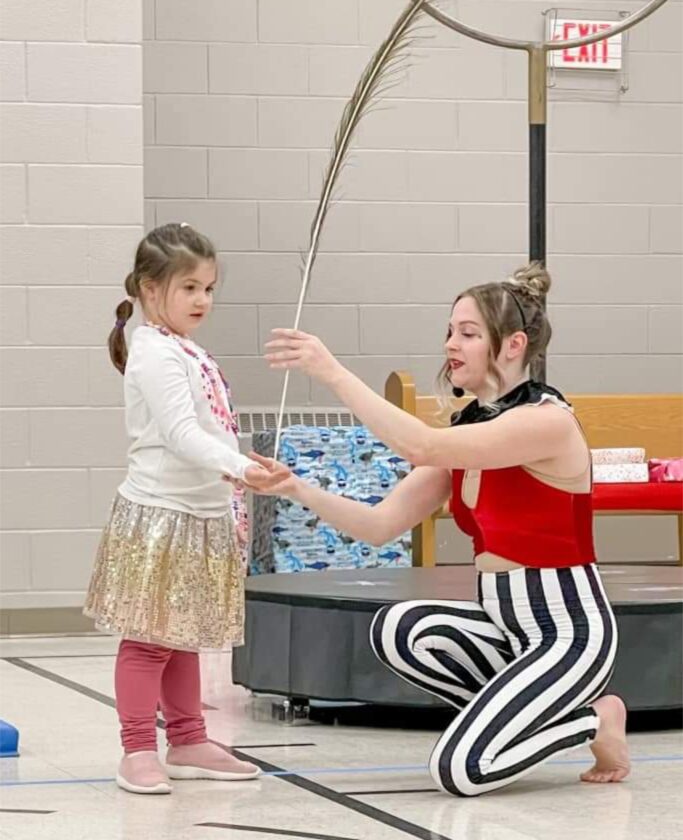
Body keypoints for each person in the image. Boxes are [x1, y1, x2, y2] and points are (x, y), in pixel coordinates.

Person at [257, 262, 630, 796]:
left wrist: (333, 371)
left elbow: (421, 446)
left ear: (513, 344)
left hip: (567, 635)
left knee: (461, 771)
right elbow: (380, 526)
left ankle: (597, 720)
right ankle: (515, 719)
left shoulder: (544, 421)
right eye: (450, 331)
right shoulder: (472, 427)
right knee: (397, 628)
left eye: (468, 333)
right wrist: (297, 488)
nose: (451, 344)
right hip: (505, 628)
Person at [84, 223, 287, 795]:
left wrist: (244, 461)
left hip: (200, 512)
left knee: (184, 634)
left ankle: (189, 737)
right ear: (151, 290)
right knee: (150, 637)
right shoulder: (152, 351)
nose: (203, 300)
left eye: (209, 288)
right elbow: (178, 433)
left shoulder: (185, 348)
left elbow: (207, 427)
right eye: (189, 287)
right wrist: (242, 469)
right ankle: (136, 749)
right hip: (161, 516)